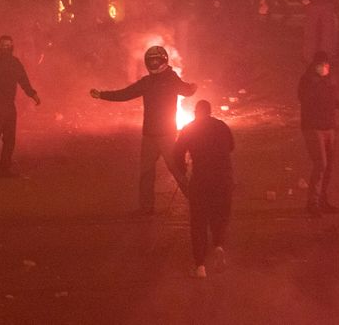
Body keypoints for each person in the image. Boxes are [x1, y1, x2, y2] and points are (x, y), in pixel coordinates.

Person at [91, 45, 197, 214]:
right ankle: (146, 208)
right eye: (151, 61)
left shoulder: (170, 79)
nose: (153, 64)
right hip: (150, 135)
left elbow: (186, 90)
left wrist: (191, 88)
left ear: (163, 61)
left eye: (156, 60)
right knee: (146, 173)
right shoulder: (148, 82)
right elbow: (126, 94)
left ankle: (197, 201)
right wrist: (102, 95)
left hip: (166, 135)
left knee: (176, 170)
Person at [175, 100, 235, 279]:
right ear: (210, 112)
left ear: (195, 112)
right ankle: (218, 245)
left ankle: (200, 265)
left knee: (198, 221)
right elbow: (231, 147)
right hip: (223, 178)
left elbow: (177, 152)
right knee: (220, 214)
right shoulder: (222, 126)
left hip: (201, 179)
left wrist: (184, 170)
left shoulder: (189, 128)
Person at [297, 51, 339, 217]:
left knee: (328, 165)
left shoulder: (329, 80)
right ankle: (312, 203)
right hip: (313, 127)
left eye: (327, 64)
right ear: (316, 65)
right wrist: (317, 85)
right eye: (323, 65)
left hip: (329, 127)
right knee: (320, 164)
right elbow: (305, 100)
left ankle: (322, 199)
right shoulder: (307, 81)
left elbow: (331, 99)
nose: (326, 67)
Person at [0, 35, 41, 181]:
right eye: (3, 45)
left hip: (9, 105)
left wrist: (32, 94)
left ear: (12, 47)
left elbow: (23, 80)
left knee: (9, 139)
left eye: (8, 45)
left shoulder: (15, 63)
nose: (6, 48)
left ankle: (4, 168)